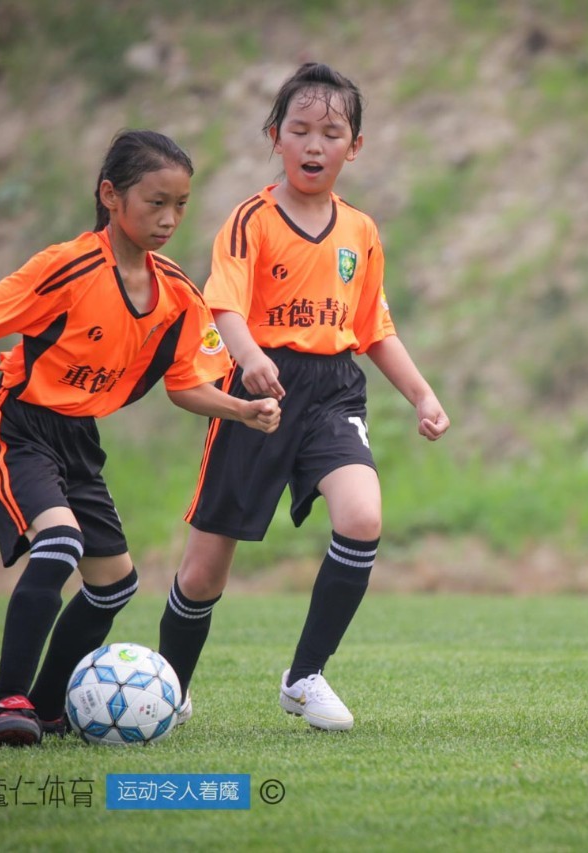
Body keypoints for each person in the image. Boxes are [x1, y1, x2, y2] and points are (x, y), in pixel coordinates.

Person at [0, 130, 281, 747]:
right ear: (110, 196)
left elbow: (183, 385)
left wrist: (241, 409)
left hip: (79, 441)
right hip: (16, 424)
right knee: (61, 542)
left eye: (181, 204)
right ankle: (4, 703)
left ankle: (42, 708)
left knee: (115, 582)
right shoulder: (69, 266)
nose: (170, 218)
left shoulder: (177, 293)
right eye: (156, 202)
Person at [157, 62, 449, 732]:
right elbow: (223, 302)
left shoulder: (361, 232)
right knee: (203, 573)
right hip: (255, 393)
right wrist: (251, 357)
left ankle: (305, 675)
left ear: (355, 146)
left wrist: (422, 394)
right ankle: (167, 689)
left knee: (362, 517)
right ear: (275, 137)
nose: (316, 144)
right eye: (301, 130)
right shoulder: (249, 221)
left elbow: (375, 325)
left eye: (332, 132)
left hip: (333, 390)